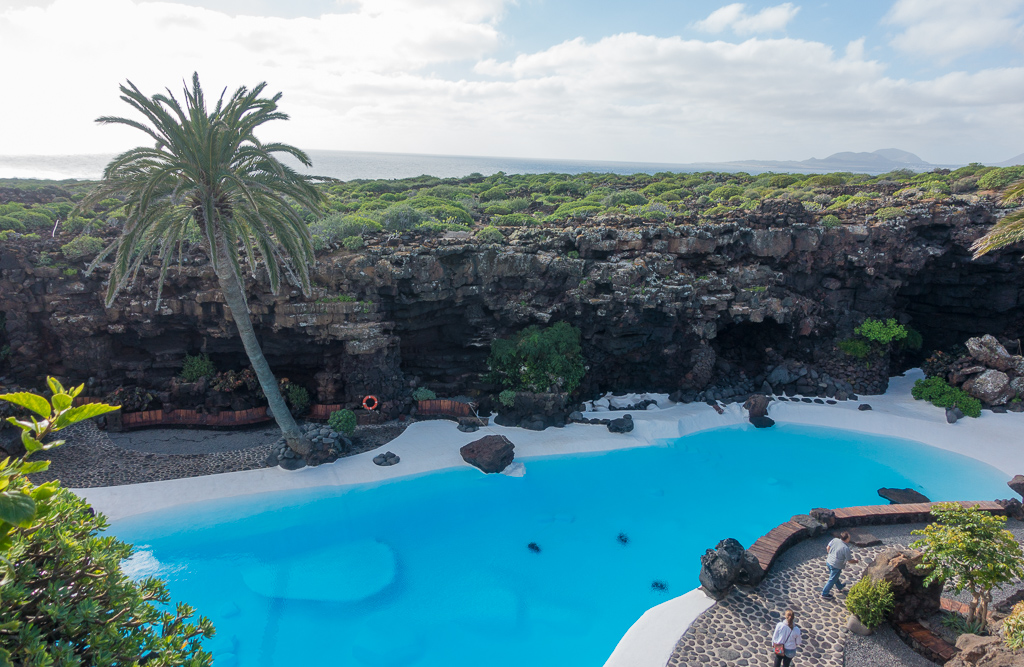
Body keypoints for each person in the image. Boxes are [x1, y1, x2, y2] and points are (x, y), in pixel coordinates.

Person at [821, 531, 858, 598]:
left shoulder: (835, 540)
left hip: (829, 561)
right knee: (832, 579)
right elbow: (849, 560)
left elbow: (828, 548)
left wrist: (831, 555)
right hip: (836, 565)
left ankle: (840, 586)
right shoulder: (845, 548)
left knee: (834, 576)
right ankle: (825, 593)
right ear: (847, 539)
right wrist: (856, 561)